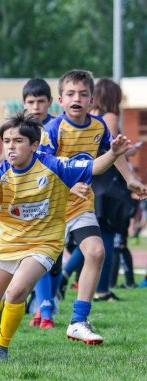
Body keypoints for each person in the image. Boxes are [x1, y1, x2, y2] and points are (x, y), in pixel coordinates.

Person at [0, 111, 132, 361]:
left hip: (44, 243)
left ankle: (0, 348)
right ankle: (1, 315)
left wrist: (114, 153)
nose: (11, 146)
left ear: (33, 145)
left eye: (18, 141)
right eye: (7, 141)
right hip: (9, 244)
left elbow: (93, 166)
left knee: (16, 292)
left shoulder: (53, 165)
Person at [39, 69, 147, 344]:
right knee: (37, 268)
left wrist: (130, 179)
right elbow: (41, 169)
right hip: (48, 207)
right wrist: (66, 185)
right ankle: (13, 303)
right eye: (71, 94)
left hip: (79, 206)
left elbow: (111, 154)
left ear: (91, 100)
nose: (77, 98)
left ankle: (78, 321)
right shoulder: (52, 130)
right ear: (60, 100)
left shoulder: (99, 126)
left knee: (96, 252)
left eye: (83, 94)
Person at [89, 78, 137, 299]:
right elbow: (110, 148)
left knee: (90, 234)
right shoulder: (109, 117)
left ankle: (69, 282)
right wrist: (129, 153)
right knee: (105, 232)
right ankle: (101, 289)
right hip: (107, 180)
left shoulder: (90, 115)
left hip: (93, 178)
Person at [21, 78, 61, 329]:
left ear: (49, 102)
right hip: (31, 202)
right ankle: (44, 311)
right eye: (31, 102)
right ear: (24, 103)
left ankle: (46, 302)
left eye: (40, 101)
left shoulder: (58, 127)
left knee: (55, 262)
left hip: (58, 199)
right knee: (37, 253)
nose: (36, 106)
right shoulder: (21, 129)